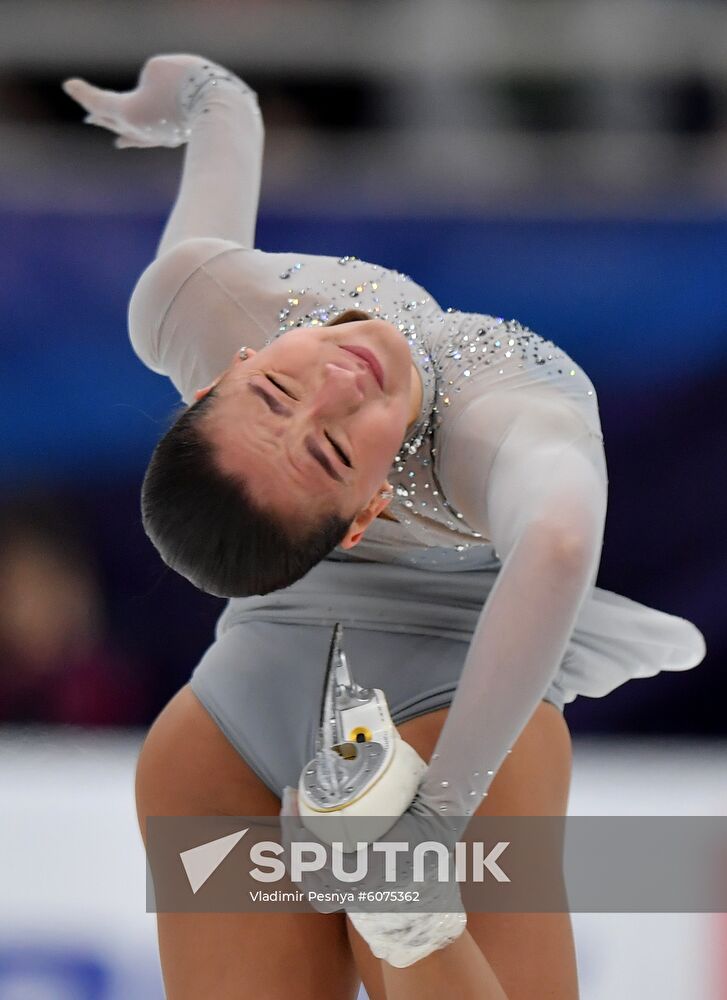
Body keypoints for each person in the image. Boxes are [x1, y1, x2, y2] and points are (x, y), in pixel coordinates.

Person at [63, 55, 706, 999]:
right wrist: (435, 813)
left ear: (224, 370)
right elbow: (558, 547)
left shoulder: (192, 303)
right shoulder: (499, 425)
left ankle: (397, 895)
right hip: (414, 718)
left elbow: (213, 186)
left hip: (250, 724)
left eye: (277, 388)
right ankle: (398, 902)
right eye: (330, 451)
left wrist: (210, 99)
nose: (336, 381)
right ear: (363, 518)